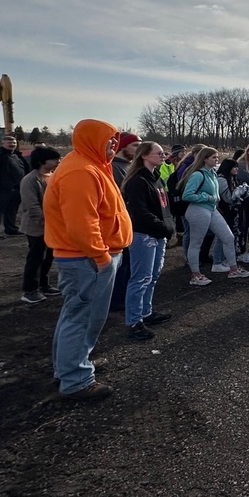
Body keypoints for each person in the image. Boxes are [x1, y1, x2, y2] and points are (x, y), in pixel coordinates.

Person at [44, 119, 133, 400]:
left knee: (76, 314)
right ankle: (76, 380)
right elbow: (82, 224)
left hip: (89, 258)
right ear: (91, 140)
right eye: (108, 141)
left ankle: (70, 367)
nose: (113, 146)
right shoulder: (81, 171)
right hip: (87, 259)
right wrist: (102, 257)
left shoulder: (92, 166)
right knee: (83, 318)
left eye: (115, 141)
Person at [120, 142, 176, 341]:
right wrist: (163, 227)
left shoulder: (156, 177)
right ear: (144, 155)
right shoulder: (138, 181)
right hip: (144, 235)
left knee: (152, 276)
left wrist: (169, 226)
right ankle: (134, 322)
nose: (163, 156)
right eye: (159, 153)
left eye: (163, 153)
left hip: (158, 234)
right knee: (140, 278)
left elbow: (164, 207)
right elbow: (140, 213)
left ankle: (146, 312)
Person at [178, 147, 249, 286]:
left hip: (211, 209)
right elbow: (187, 195)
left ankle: (233, 269)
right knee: (196, 243)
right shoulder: (198, 175)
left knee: (228, 237)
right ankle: (195, 274)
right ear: (205, 158)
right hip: (198, 210)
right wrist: (206, 197)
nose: (217, 160)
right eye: (213, 157)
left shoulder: (212, 173)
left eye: (217, 157)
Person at [18, 145, 62, 303]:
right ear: (42, 161)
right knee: (36, 258)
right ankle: (29, 290)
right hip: (36, 227)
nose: (58, 161)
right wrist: (49, 221)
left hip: (52, 226)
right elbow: (32, 207)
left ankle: (43, 285)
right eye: (54, 159)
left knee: (49, 257)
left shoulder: (53, 176)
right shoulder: (29, 180)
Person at [108, 131, 141, 313]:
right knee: (121, 263)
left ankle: (122, 295)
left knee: (129, 262)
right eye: (135, 145)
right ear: (122, 146)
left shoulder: (130, 166)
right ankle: (116, 299)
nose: (138, 149)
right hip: (119, 225)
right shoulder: (113, 168)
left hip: (131, 223)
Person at [0, 134, 28, 239]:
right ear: (2, 144)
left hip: (16, 188)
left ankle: (11, 229)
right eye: (9, 142)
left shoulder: (17, 156)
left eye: (14, 143)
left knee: (12, 210)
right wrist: (1, 183)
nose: (12, 144)